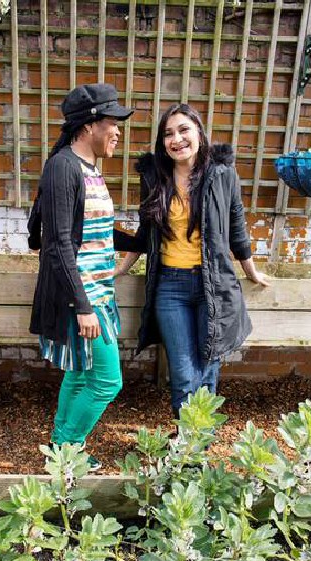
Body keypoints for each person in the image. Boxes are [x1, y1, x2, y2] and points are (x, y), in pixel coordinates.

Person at [115, 103, 269, 417]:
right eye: (169, 133)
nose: (177, 138)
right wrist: (122, 267)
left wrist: (251, 270)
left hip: (213, 285)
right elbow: (147, 229)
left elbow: (236, 225)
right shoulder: (155, 177)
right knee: (184, 373)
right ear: (162, 143)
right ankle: (187, 446)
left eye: (184, 129)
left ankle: (198, 449)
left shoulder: (222, 174)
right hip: (170, 287)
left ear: (198, 131)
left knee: (208, 369)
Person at [29, 83, 138, 470]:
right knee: (108, 381)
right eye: (113, 122)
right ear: (89, 125)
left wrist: (141, 240)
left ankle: (60, 448)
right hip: (81, 299)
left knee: (79, 375)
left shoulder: (89, 169)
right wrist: (82, 306)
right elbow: (57, 244)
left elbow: (94, 228)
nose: (118, 131)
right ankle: (66, 453)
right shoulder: (63, 168)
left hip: (97, 295)